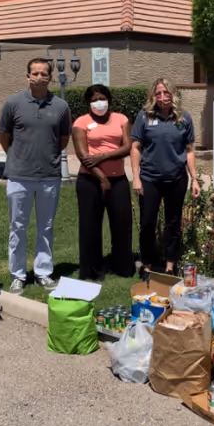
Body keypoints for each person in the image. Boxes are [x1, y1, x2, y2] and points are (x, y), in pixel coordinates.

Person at [0, 58, 71, 293]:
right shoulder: (13, 103)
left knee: (46, 227)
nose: (40, 77)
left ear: (50, 77)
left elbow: (62, 140)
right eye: (35, 73)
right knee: (17, 227)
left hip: (49, 176)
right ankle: (18, 274)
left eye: (44, 74)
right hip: (19, 177)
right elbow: (4, 137)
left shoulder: (61, 106)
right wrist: (19, 158)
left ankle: (43, 272)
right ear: (27, 76)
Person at [130, 78, 200, 277]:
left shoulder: (183, 118)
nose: (162, 97)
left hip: (176, 180)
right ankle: (147, 265)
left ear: (173, 95)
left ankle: (170, 265)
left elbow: (189, 151)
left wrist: (194, 178)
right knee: (147, 224)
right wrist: (136, 177)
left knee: (173, 224)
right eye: (158, 93)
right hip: (149, 179)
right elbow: (135, 148)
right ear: (153, 96)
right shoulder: (144, 117)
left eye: (166, 93)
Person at [72, 84, 133, 281]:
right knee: (90, 226)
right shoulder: (81, 122)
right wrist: (102, 178)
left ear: (109, 99)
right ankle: (92, 271)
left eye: (102, 98)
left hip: (119, 180)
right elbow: (83, 155)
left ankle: (122, 266)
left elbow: (127, 147)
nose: (99, 103)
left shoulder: (121, 119)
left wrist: (102, 156)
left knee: (122, 224)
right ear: (88, 103)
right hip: (90, 181)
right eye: (94, 100)